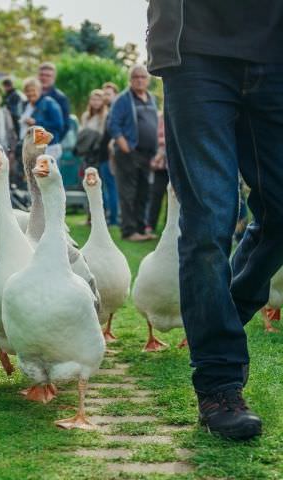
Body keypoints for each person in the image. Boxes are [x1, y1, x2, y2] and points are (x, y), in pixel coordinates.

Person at [146, 0, 283, 440]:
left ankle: (223, 311)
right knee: (209, 221)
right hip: (196, 52)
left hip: (275, 51)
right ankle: (219, 383)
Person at [108, 65, 158, 241]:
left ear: (148, 80)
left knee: (144, 193)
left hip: (148, 155)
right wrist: (125, 146)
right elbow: (113, 124)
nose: (139, 80)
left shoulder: (151, 98)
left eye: (143, 77)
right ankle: (129, 231)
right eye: (136, 77)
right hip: (129, 153)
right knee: (128, 193)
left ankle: (141, 229)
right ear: (130, 79)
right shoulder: (123, 99)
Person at [38, 62, 70, 162]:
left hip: (51, 147)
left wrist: (54, 140)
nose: (44, 78)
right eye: (42, 75)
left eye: (48, 75)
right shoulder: (33, 95)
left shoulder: (60, 98)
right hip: (33, 148)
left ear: (53, 78)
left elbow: (65, 125)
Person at [99, 82, 120, 226]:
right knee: (107, 187)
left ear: (115, 95)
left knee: (111, 187)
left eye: (108, 94)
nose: (105, 96)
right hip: (102, 155)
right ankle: (110, 217)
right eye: (104, 94)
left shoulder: (115, 111)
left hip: (110, 156)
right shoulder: (109, 111)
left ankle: (113, 219)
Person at [145, 112, 169, 236]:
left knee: (172, 198)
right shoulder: (158, 117)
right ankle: (150, 224)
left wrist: (163, 144)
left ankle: (169, 226)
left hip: (174, 165)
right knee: (156, 195)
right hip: (159, 165)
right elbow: (152, 138)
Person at [77, 89, 108, 169]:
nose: (96, 102)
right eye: (93, 99)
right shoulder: (86, 116)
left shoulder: (106, 116)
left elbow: (102, 134)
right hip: (86, 151)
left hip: (100, 151)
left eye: (98, 100)